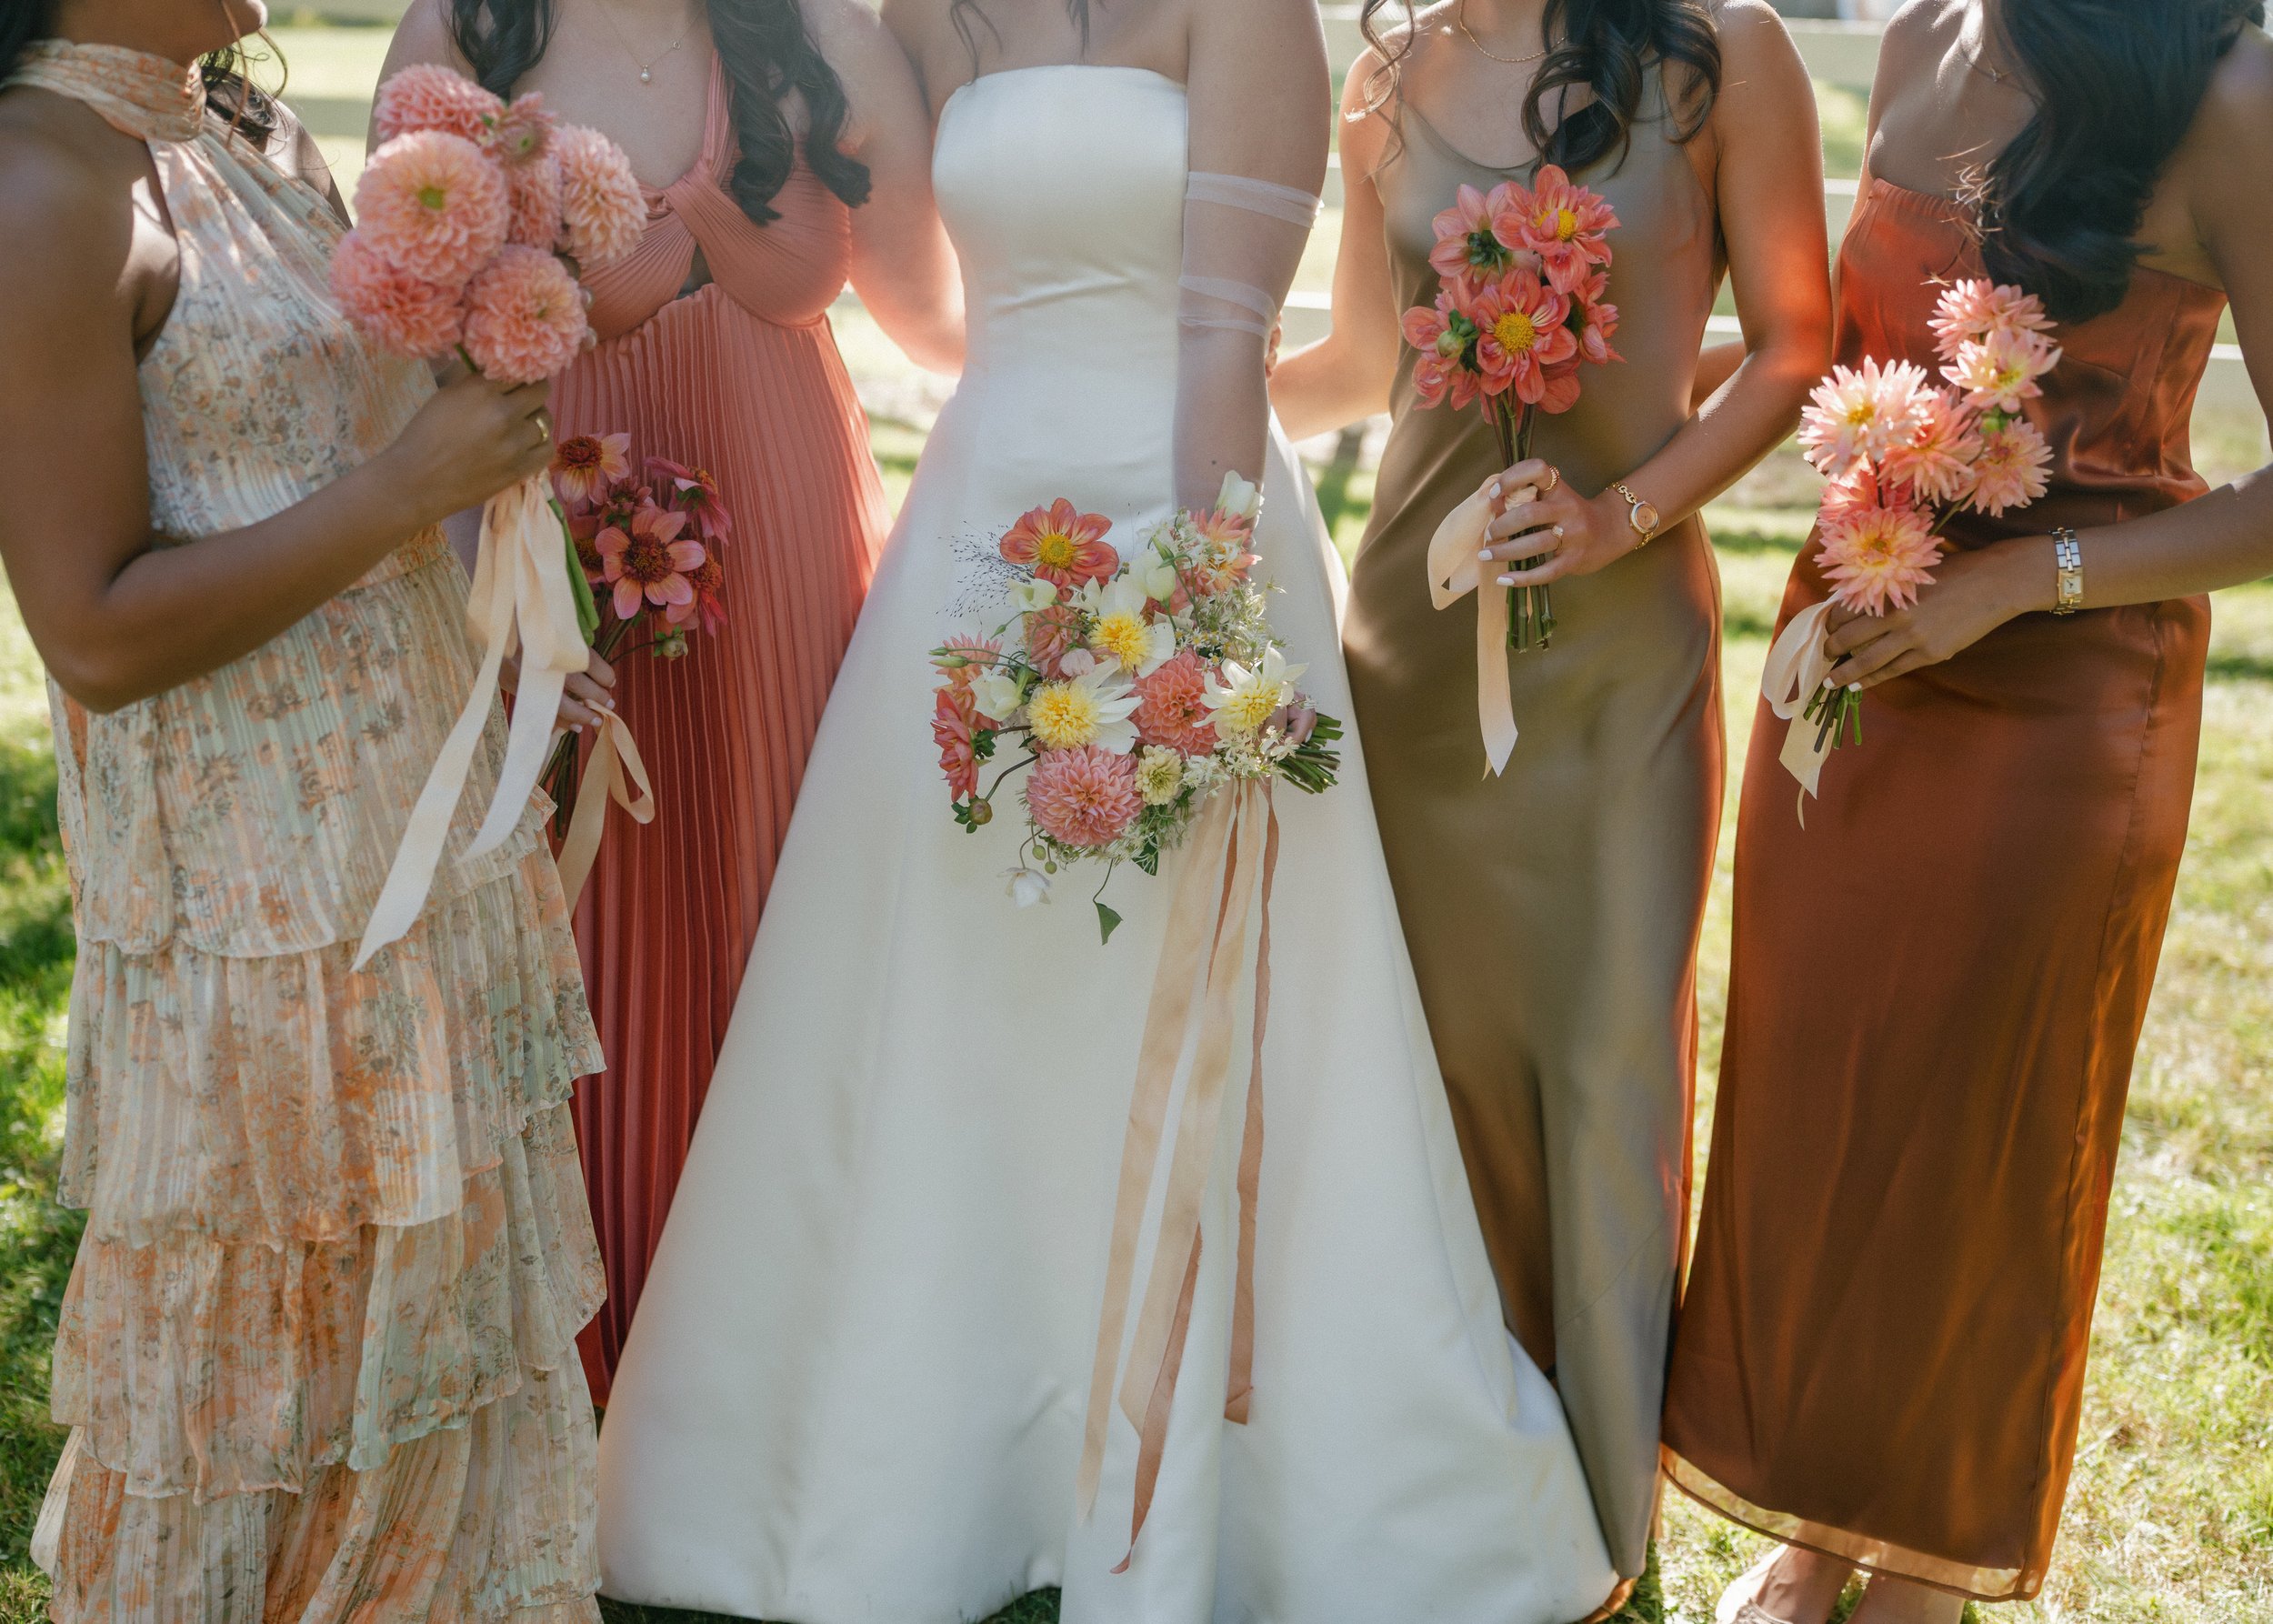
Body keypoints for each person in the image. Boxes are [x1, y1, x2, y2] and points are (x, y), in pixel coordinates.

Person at [589, 0, 1627, 1619]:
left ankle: (1261, 1464)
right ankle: (926, 1450)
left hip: (1185, 513)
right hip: (983, 517)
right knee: (952, 988)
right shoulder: (938, 15)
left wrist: (1199, 621)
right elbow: (931, 310)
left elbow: (1224, 343)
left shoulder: (1242, 17)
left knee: (1207, 978)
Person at [0, 3, 614, 1619]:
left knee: (426, 1319)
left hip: (414, 827)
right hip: (251, 902)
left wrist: (499, 644)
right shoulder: (41, 182)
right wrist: (408, 490)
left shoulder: (247, 134)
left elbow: (318, 450)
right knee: (261, 1376)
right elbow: (93, 629)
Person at [1660, 2, 2273, 1619]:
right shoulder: (1924, 34)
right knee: (1824, 1101)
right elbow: (1859, 351)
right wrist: (1605, 380)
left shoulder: (2230, 93)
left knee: (1976, 1129)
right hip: (1860, 653)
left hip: (2069, 688)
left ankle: (1924, 1557)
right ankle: (1821, 1522)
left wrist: (2024, 582)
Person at [1267, 0, 1831, 1596]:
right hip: (1411, 651)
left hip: (1620, 651)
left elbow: (1799, 340)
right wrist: (1155, 395)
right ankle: (1462, 1464)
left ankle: (1602, 1523)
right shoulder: (1381, 78)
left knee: (1607, 1066)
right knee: (1427, 1065)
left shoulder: (1724, 56)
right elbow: (1368, 362)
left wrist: (1621, 514)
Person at [379, 0, 963, 1398]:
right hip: (553, 533)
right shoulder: (468, 33)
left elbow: (943, 315)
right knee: (589, 920)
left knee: (779, 892)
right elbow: (408, 357)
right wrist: (496, 602)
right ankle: (598, 1340)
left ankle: (784, 1355)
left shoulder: (807, 30)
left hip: (784, 538)